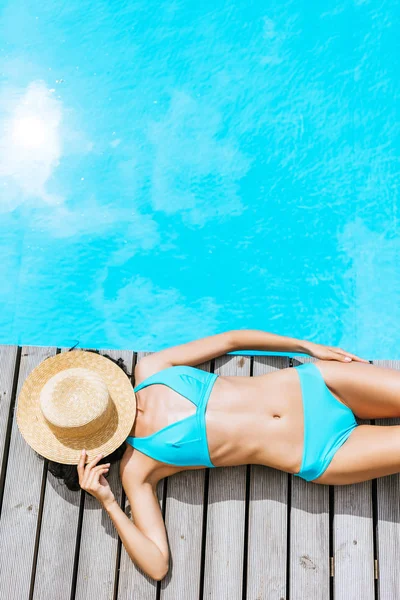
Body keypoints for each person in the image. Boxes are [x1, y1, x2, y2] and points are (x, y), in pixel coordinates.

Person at [16, 329, 400, 581]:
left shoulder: (152, 369)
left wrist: (304, 347)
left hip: (319, 383)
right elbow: (157, 564)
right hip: (321, 451)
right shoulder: (138, 467)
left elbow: (231, 339)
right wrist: (107, 500)